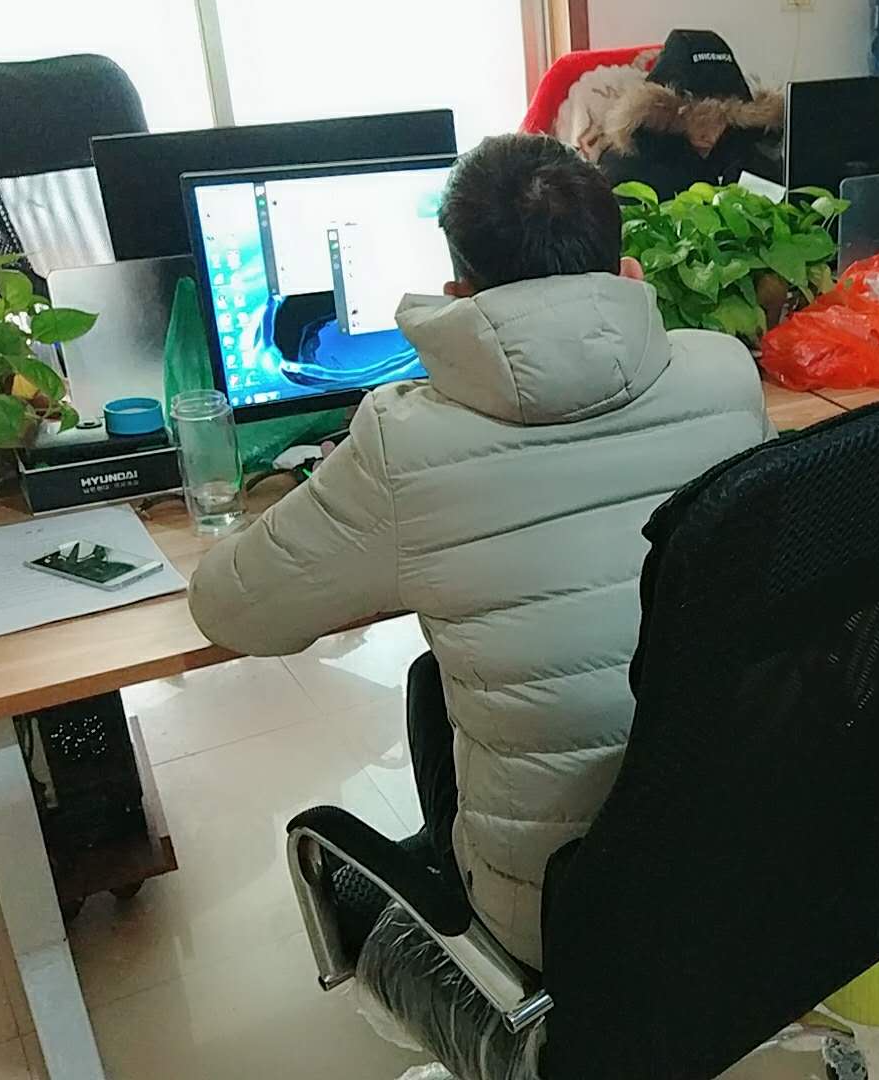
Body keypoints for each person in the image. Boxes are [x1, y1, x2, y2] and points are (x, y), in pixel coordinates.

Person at [188, 134, 776, 967]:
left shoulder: (403, 441)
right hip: (741, 839)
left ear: (460, 296)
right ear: (627, 273)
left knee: (437, 679)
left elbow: (231, 612)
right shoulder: (727, 376)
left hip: (555, 914)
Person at [598, 29, 783, 197]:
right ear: (666, 117)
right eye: (698, 120)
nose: (710, 136)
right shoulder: (626, 165)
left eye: (724, 120)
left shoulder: (757, 153)